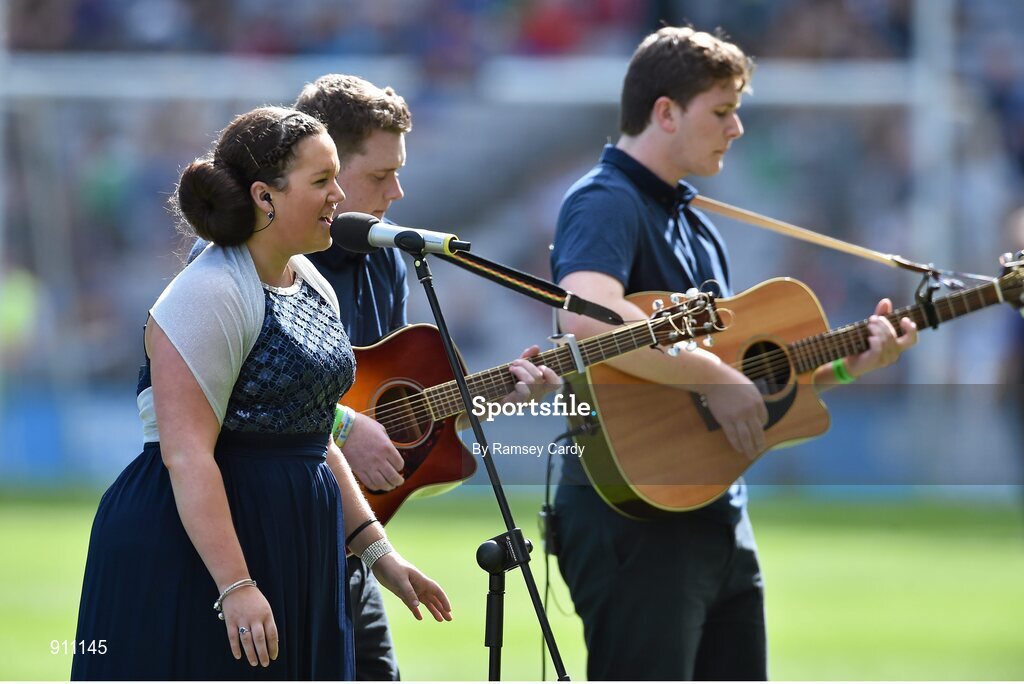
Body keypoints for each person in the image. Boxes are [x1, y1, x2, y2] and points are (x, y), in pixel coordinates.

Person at [548, 27, 919, 680]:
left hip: (714, 512)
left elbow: (746, 382)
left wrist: (842, 366)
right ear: (665, 112)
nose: (738, 128)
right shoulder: (605, 200)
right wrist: (716, 374)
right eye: (721, 111)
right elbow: (586, 318)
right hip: (636, 521)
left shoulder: (697, 226)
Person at [190, 74, 559, 680]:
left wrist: (495, 397)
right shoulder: (248, 260)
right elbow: (240, 401)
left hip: (352, 542)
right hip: (266, 541)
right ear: (319, 162)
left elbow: (396, 413)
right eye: (379, 175)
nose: (398, 190)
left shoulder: (385, 260)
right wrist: (344, 422)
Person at [71, 106, 451, 681]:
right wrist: (236, 585)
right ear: (264, 196)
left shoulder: (311, 282)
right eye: (321, 182)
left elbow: (312, 429)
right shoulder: (210, 291)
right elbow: (187, 454)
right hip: (200, 549)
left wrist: (379, 555)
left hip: (298, 539)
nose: (337, 197)